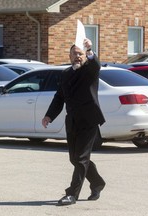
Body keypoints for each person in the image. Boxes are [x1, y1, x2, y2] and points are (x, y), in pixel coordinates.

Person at [42, 38, 106, 206]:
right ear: (69, 56)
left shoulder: (89, 71)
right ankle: (98, 182)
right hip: (72, 122)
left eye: (81, 54)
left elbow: (96, 65)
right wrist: (49, 115)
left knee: (81, 158)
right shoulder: (65, 74)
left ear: (85, 56)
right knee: (75, 159)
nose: (78, 57)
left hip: (89, 121)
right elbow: (59, 97)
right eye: (75, 54)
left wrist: (91, 51)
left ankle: (72, 194)